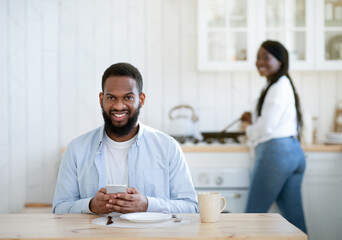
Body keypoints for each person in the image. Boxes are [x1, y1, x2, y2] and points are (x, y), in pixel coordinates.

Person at [53, 62, 198, 214]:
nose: (119, 106)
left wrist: (148, 205)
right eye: (111, 98)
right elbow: (59, 209)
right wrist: (90, 206)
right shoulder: (76, 149)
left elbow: (191, 208)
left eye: (128, 98)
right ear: (101, 99)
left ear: (141, 99)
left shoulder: (167, 147)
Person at [241, 40, 307, 233]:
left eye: (266, 57)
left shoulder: (278, 87)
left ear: (280, 60)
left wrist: (247, 128)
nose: (260, 62)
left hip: (275, 155)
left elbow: (266, 128)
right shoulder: (280, 84)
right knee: (295, 222)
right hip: (293, 153)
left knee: (251, 217)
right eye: (258, 58)